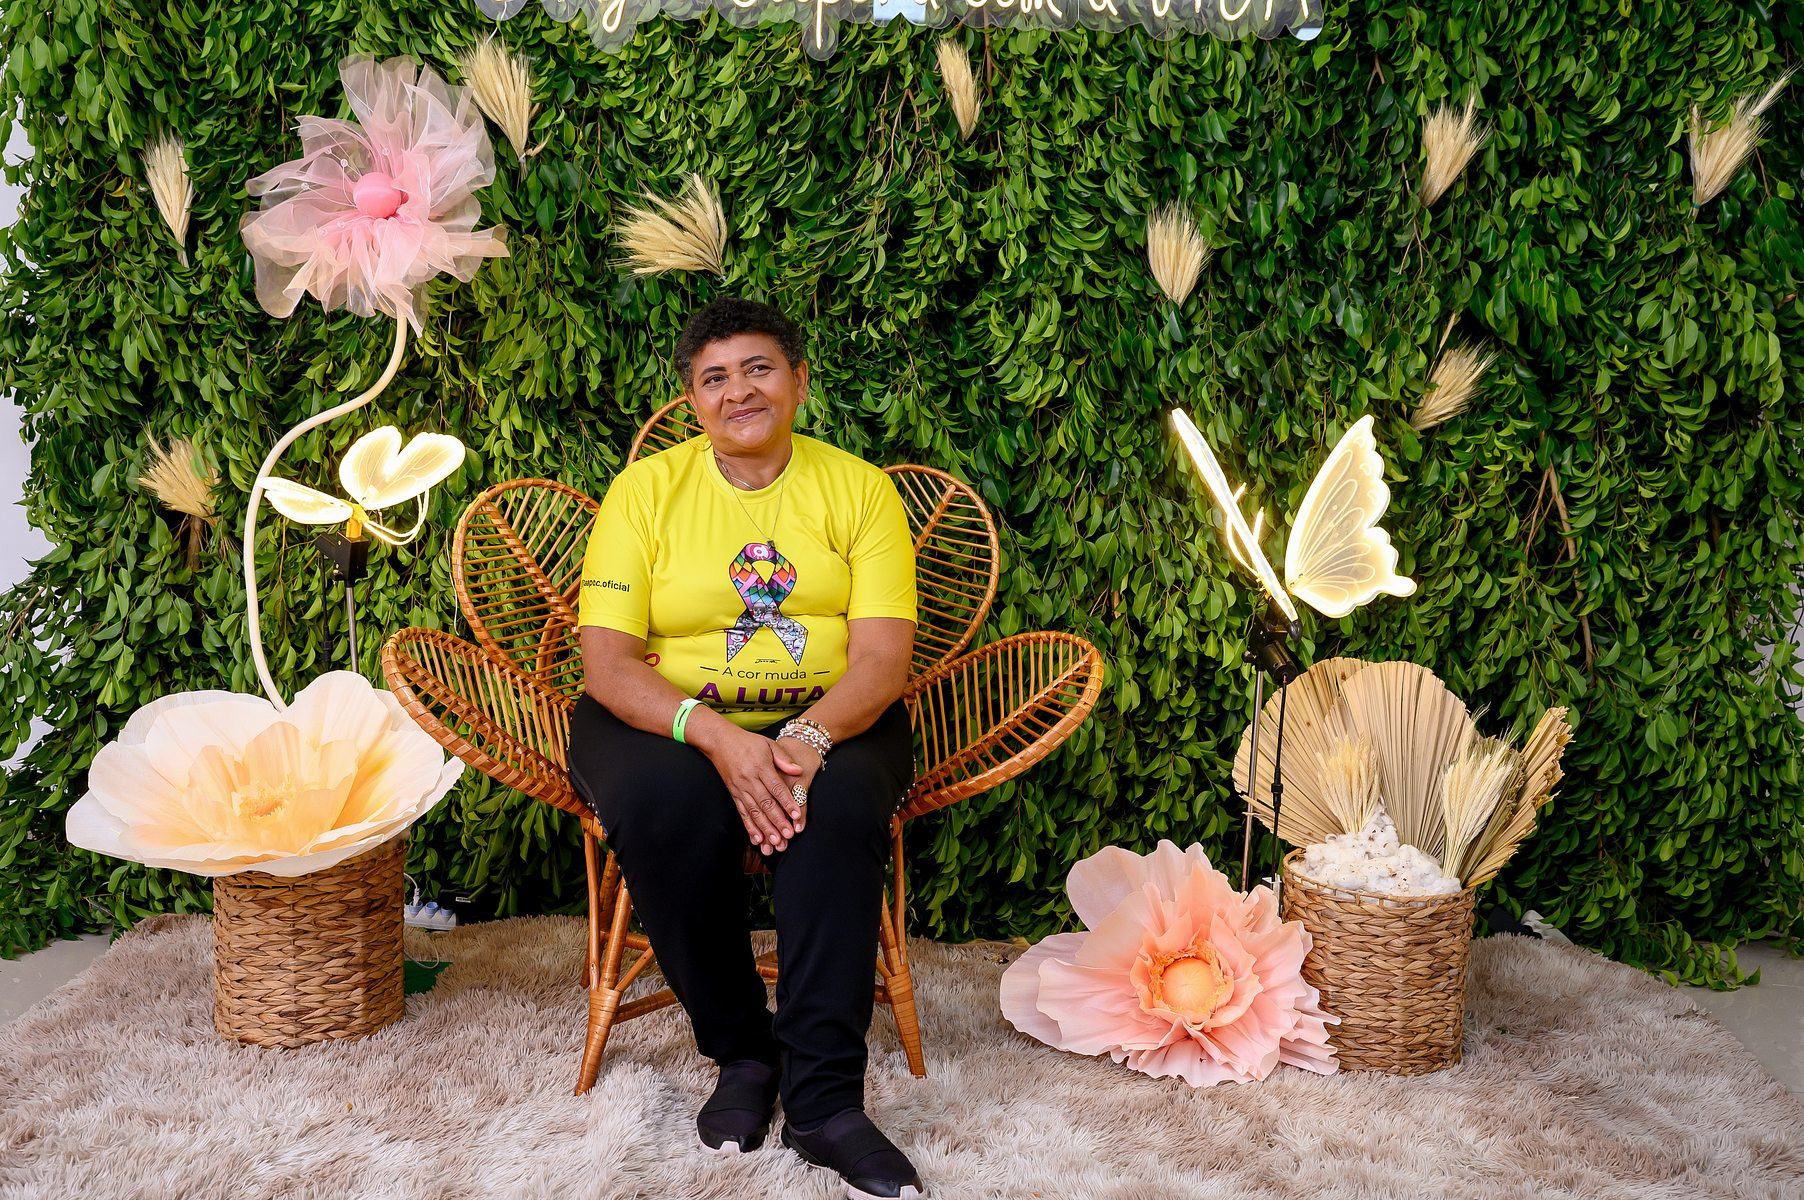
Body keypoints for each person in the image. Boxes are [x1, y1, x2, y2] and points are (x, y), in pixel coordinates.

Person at [566, 297, 926, 1200]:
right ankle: (743, 1053)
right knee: (660, 806)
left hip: (834, 713)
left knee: (835, 810)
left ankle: (825, 1101)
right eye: (714, 378)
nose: (739, 392)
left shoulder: (860, 490)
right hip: (670, 715)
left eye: (759, 369)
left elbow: (882, 660)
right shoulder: (644, 493)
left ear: (798, 381)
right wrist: (719, 737)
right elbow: (608, 664)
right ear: (693, 400)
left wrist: (807, 735)